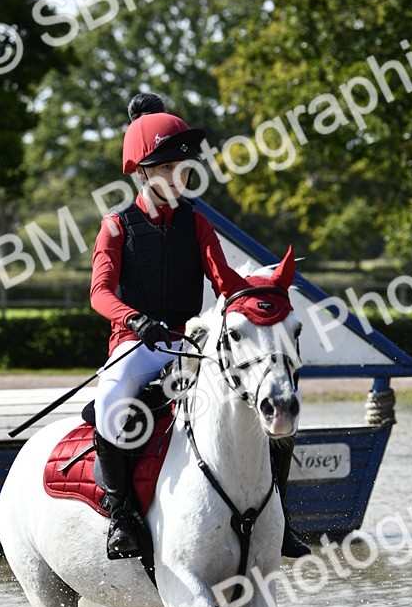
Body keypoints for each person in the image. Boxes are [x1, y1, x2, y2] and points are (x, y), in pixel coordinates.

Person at [90, 92, 310, 562]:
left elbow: (225, 282)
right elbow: (100, 293)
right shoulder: (116, 226)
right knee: (112, 403)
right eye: (169, 169)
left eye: (184, 169)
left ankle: (280, 517)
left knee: (260, 401)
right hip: (134, 343)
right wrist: (134, 319)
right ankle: (121, 514)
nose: (179, 178)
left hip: (187, 347)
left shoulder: (198, 223)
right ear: (143, 171)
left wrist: (259, 293)